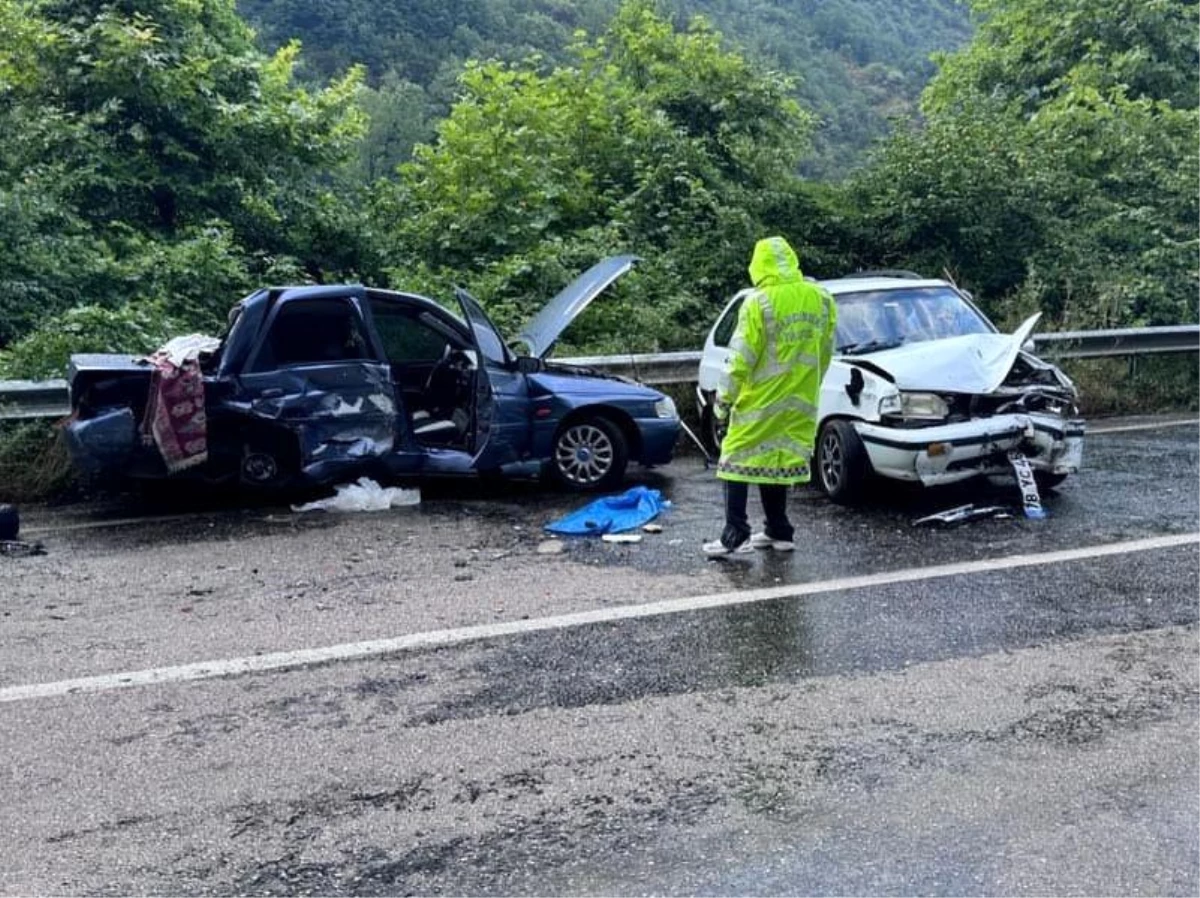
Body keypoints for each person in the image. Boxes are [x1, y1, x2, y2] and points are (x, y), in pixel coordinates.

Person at [703, 236, 837, 557]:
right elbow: (827, 349)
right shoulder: (820, 298)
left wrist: (722, 402)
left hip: (760, 401)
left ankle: (736, 533)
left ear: (757, 265)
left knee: (733, 461)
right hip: (800, 402)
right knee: (776, 461)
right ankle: (779, 530)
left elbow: (741, 358)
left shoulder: (759, 302)